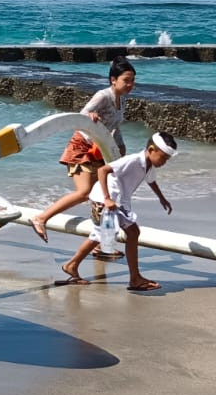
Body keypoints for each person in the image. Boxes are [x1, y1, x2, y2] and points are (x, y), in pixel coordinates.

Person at [30, 57, 137, 243]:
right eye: (126, 80)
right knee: (85, 192)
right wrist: (91, 115)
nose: (130, 84)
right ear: (113, 80)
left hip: (102, 151)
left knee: (103, 197)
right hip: (83, 148)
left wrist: (120, 149)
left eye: (132, 80)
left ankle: (100, 245)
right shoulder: (103, 96)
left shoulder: (122, 100)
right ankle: (41, 218)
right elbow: (81, 115)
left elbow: (115, 126)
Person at [60, 132, 177, 291]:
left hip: (118, 204)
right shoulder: (133, 160)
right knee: (100, 235)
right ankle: (72, 264)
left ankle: (134, 278)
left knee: (132, 232)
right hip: (104, 201)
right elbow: (103, 170)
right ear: (151, 150)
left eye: (167, 159)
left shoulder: (148, 164)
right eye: (163, 157)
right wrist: (107, 198)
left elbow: (151, 180)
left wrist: (162, 198)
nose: (164, 162)